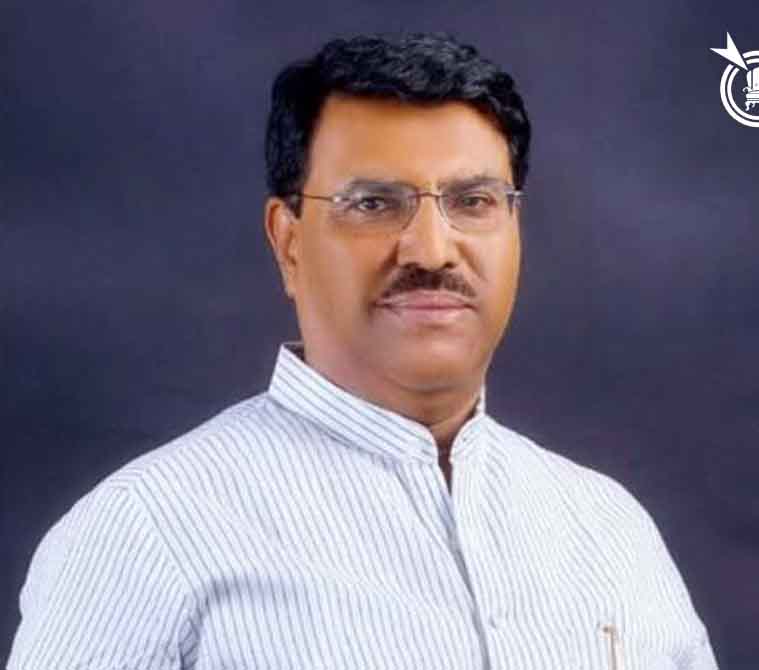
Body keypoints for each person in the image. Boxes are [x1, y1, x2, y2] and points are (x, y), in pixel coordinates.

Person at [6, 33, 718, 670]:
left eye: (473, 202)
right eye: (374, 204)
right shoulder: (146, 534)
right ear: (288, 242)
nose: (432, 249)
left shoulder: (608, 531)